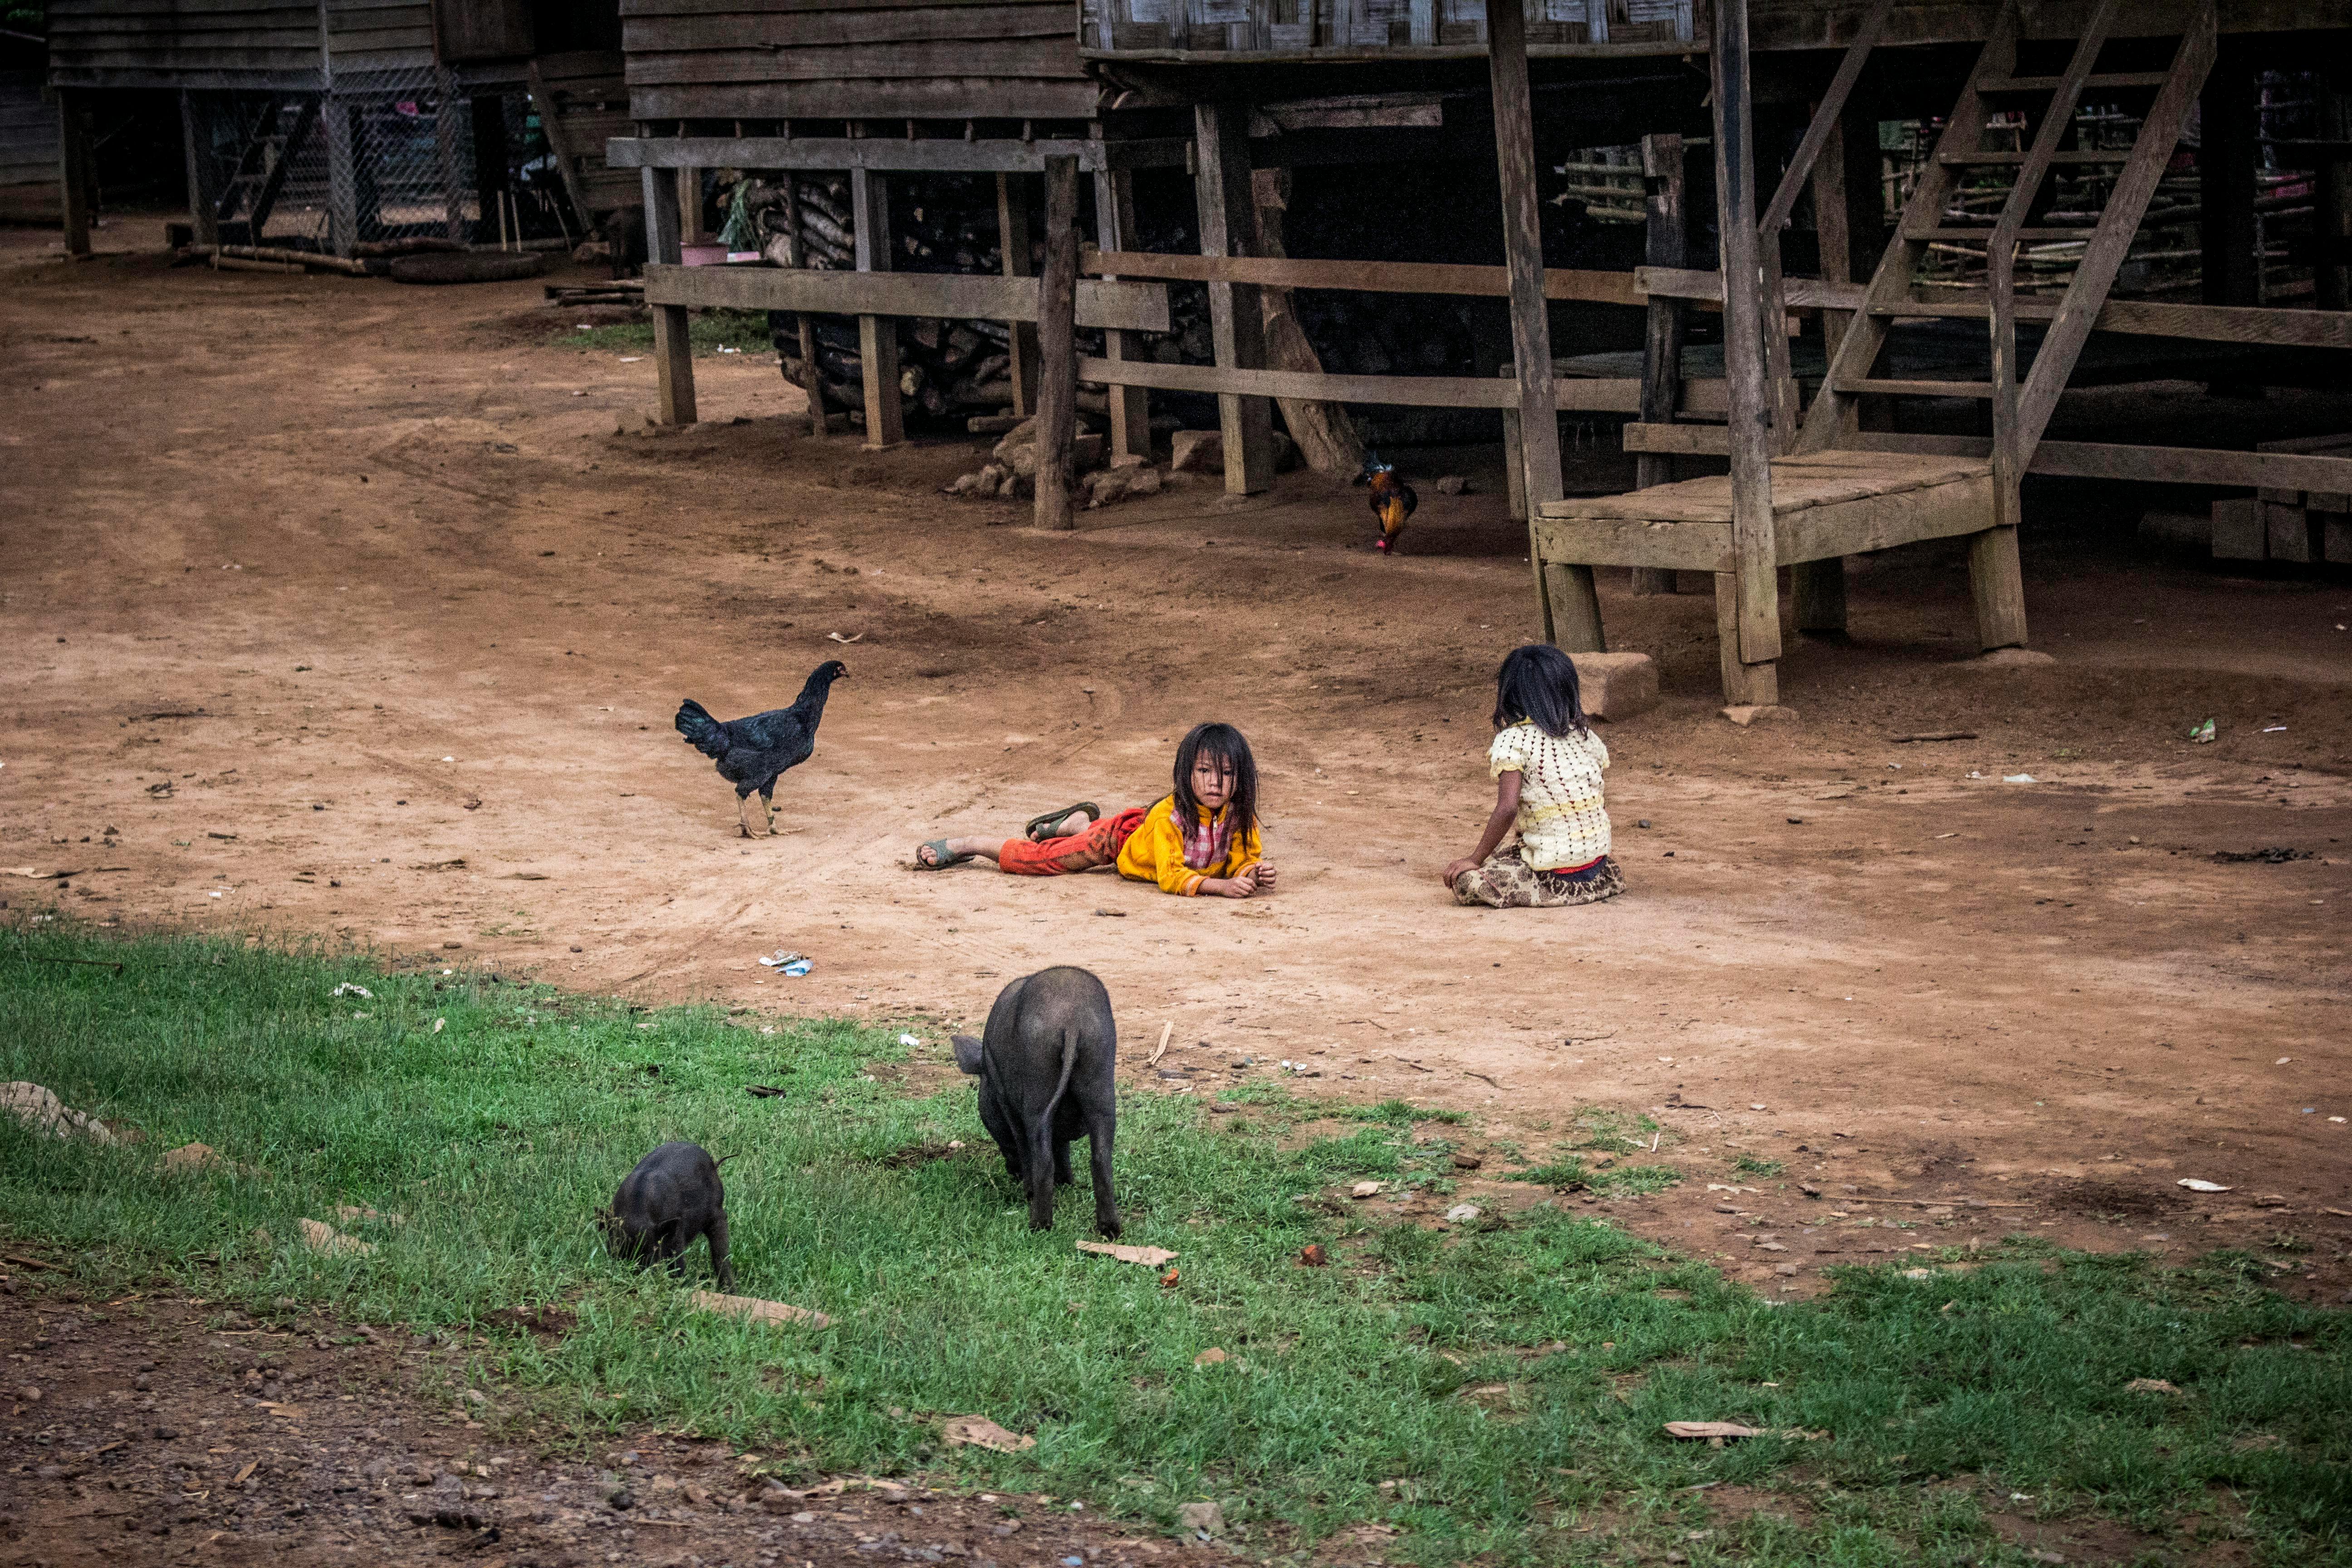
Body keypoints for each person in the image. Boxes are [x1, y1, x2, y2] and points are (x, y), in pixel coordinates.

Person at [914, 722, 1276, 899]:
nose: (1216, 782)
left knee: (1089, 837)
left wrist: (1253, 872)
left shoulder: (1240, 816)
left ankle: (1076, 823)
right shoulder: (1172, 818)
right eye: (1204, 771)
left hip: (1137, 832)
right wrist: (1223, 887)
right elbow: (1171, 877)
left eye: (1227, 773)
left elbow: (1243, 858)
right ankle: (971, 844)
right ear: (1186, 773)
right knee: (1040, 861)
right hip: (1117, 842)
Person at [1441, 645, 1624, 908]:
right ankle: (1589, 882)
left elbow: (1507, 809)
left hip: (1554, 872)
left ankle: (1551, 888)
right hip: (1597, 864)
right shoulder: (1586, 736)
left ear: (1511, 693)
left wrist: (1475, 859)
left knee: (1469, 881)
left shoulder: (1512, 741)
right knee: (1514, 852)